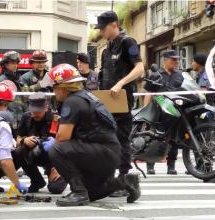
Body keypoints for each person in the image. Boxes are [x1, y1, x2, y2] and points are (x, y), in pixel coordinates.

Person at [42, 63, 141, 206]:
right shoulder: (86, 96)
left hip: (101, 153)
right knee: (93, 193)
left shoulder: (72, 102)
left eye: (54, 87)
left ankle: (78, 192)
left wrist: (55, 164)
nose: (54, 91)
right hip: (108, 154)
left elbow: (62, 137)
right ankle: (124, 181)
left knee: (56, 150)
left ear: (63, 87)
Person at [96, 11, 145, 197]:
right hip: (106, 102)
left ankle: (126, 182)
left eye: (103, 27)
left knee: (121, 140)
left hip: (122, 100)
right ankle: (111, 179)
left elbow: (140, 67)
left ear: (114, 25)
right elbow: (103, 76)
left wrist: (121, 83)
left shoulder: (127, 42)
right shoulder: (106, 49)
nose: (101, 31)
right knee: (108, 140)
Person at [14, 92, 67, 194]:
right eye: (33, 111)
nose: (36, 114)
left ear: (46, 108)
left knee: (56, 189)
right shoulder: (26, 117)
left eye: (39, 111)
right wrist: (24, 140)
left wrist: (58, 167)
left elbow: (64, 142)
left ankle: (59, 173)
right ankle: (37, 181)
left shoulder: (55, 119)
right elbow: (18, 138)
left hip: (53, 157)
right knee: (19, 151)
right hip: (32, 153)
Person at [144, 50, 184, 175]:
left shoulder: (180, 75)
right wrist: (146, 109)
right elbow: (148, 93)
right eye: (174, 60)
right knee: (154, 138)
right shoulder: (155, 74)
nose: (176, 62)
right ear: (165, 60)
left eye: (177, 59)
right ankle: (150, 165)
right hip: (158, 111)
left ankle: (171, 166)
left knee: (174, 140)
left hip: (174, 111)